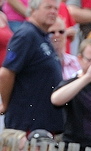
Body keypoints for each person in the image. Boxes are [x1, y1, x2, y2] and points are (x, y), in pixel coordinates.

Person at [0, 0, 63, 135]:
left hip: (43, 124)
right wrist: (6, 104)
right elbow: (6, 72)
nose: (53, 12)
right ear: (33, 10)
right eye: (48, 7)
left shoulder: (42, 36)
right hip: (26, 125)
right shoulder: (25, 35)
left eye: (56, 9)